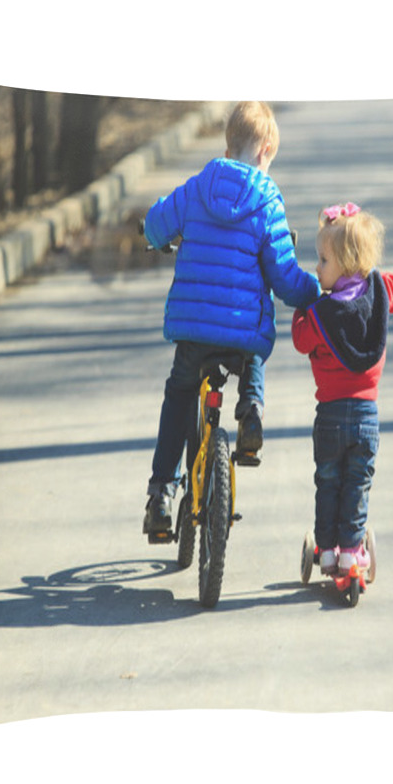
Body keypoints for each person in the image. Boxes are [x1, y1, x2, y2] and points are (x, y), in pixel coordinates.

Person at [142, 101, 321, 542]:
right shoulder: (266, 200)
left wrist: (161, 237)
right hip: (240, 336)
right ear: (264, 150)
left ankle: (162, 493)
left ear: (230, 143)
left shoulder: (198, 185)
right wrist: (315, 292)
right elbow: (283, 277)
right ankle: (249, 411)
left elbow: (154, 225)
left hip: (192, 327)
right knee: (255, 336)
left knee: (180, 392)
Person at [292, 202, 393, 575]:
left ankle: (326, 549)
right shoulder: (378, 294)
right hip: (365, 416)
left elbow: (299, 339)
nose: (317, 267)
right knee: (357, 483)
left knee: (328, 481)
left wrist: (302, 307)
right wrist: (375, 276)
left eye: (323, 260)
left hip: (328, 416)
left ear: (344, 263)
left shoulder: (319, 315)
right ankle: (351, 551)